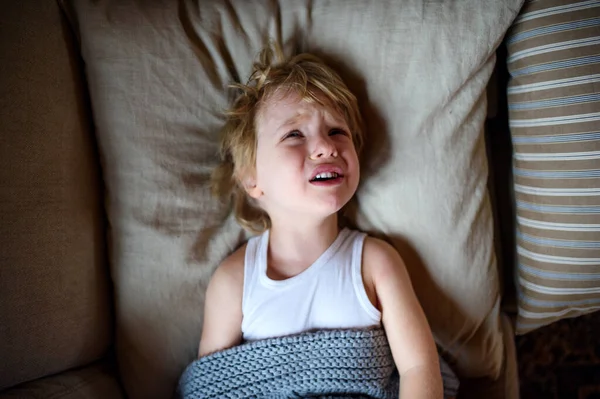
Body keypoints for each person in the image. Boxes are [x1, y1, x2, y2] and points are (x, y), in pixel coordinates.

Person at [199, 44, 444, 398]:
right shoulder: (234, 282)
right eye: (294, 135)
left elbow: (419, 367)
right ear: (252, 178)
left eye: (337, 132)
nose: (325, 147)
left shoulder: (375, 263)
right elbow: (214, 387)